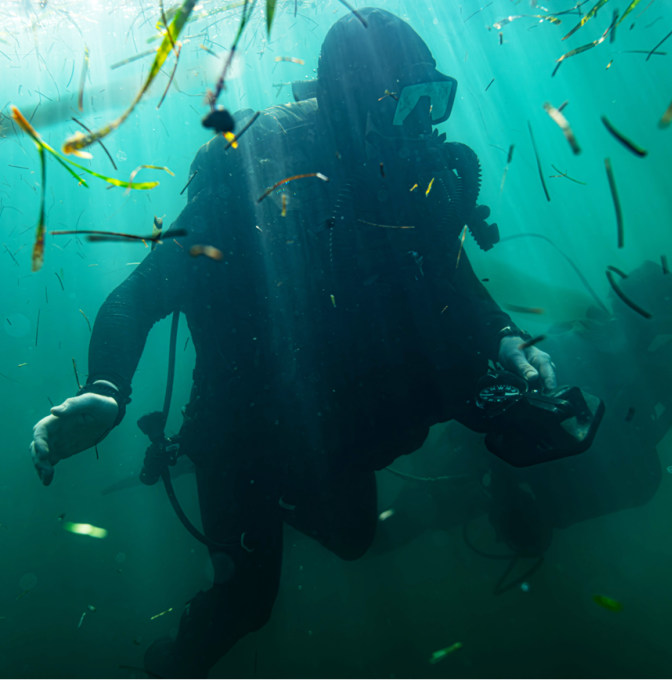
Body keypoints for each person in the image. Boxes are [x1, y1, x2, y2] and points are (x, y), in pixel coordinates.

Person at [29, 9, 557, 679]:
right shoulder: (252, 181)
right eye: (403, 102)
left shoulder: (413, 177)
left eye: (435, 98)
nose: (423, 123)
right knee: (248, 603)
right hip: (241, 430)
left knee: (355, 539)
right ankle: (170, 664)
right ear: (349, 104)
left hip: (332, 415)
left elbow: (452, 276)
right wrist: (106, 388)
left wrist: (506, 336)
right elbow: (140, 293)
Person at [372, 261, 672, 560]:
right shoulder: (564, 351)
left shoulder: (658, 377)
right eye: (667, 336)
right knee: (399, 525)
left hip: (540, 491)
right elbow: (481, 423)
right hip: (479, 477)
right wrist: (503, 493)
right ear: (636, 325)